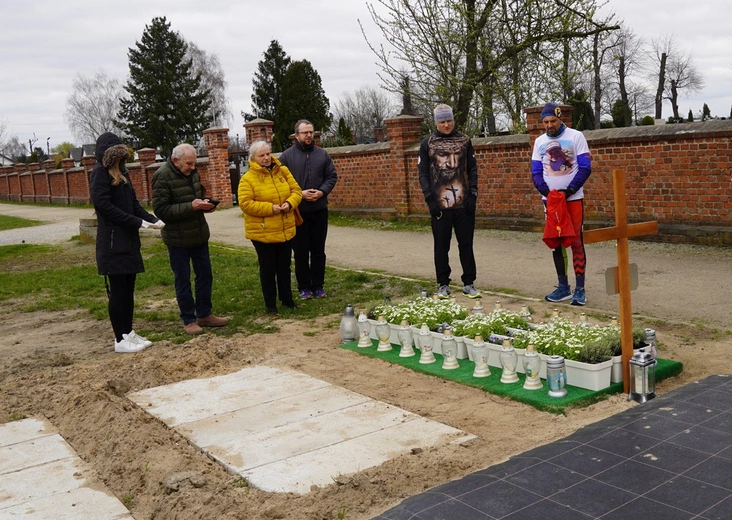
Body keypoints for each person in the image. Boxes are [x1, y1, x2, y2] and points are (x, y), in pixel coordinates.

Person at [90, 132, 163, 353]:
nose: (119, 160)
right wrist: (137, 222)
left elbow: (133, 204)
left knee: (128, 289)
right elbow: (104, 206)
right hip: (112, 243)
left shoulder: (123, 172)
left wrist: (154, 220)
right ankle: (120, 339)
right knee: (118, 291)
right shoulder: (99, 173)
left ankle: (128, 332)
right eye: (115, 157)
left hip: (129, 241)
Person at [152, 143, 229, 334]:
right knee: (183, 279)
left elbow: (196, 196)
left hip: (199, 234)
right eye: (189, 164)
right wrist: (191, 206)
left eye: (194, 164)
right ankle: (188, 319)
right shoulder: (161, 176)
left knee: (205, 275)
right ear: (176, 161)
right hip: (177, 239)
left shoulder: (192, 173)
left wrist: (206, 204)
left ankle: (204, 314)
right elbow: (161, 210)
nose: (193, 168)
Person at [531, 102, 592, 306]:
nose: (549, 125)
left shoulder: (576, 136)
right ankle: (563, 286)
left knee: (575, 242)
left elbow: (585, 167)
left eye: (553, 121)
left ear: (560, 119)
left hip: (573, 199)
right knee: (555, 242)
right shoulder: (539, 141)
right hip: (551, 201)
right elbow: (536, 171)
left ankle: (580, 289)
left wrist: (571, 189)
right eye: (545, 122)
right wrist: (546, 192)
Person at [418, 103, 481, 300]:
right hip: (439, 205)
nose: (446, 125)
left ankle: (469, 283)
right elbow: (423, 174)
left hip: (463, 204)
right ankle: (443, 284)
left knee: (466, 245)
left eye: (449, 120)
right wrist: (430, 199)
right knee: (441, 246)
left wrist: (473, 194)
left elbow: (472, 168)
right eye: (442, 121)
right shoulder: (427, 143)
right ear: (436, 122)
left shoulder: (464, 140)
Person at [238, 140, 302, 314]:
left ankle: (287, 299)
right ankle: (270, 304)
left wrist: (289, 204)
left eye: (268, 154)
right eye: (262, 155)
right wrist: (270, 208)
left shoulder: (283, 171)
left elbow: (297, 191)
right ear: (253, 158)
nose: (266, 158)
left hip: (285, 227)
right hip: (262, 230)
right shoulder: (247, 179)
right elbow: (245, 204)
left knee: (284, 266)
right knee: (268, 268)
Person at [278, 119, 338, 300]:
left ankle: (318, 285)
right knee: (301, 251)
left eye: (311, 132)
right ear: (296, 135)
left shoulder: (322, 155)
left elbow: (331, 176)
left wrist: (322, 192)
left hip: (319, 209)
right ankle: (304, 287)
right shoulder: (287, 157)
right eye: (305, 133)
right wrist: (300, 194)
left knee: (318, 250)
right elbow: (280, 183)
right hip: (298, 211)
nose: (309, 136)